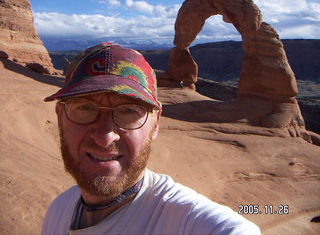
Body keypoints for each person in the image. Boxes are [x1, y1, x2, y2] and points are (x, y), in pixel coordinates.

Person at [42, 43, 261, 235]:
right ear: (60, 116)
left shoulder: (193, 223)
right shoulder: (59, 210)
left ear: (155, 124)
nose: (104, 137)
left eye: (128, 111)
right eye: (86, 108)